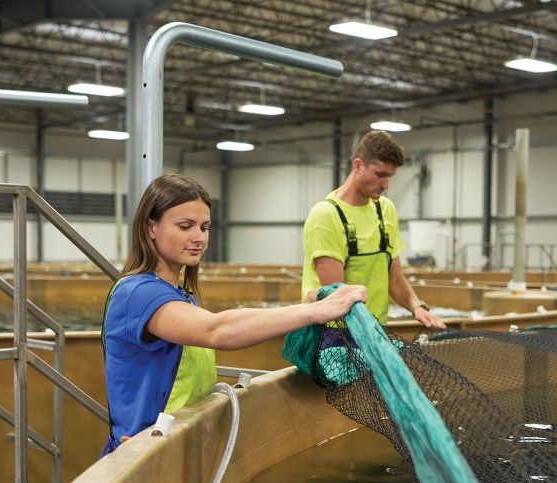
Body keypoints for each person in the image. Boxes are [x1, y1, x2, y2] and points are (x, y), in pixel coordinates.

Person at [101, 174, 366, 456]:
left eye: (204, 227)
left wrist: (305, 305)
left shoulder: (179, 294)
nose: (198, 238)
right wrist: (313, 312)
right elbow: (218, 330)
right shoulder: (137, 293)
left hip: (173, 449)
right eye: (184, 226)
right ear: (151, 227)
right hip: (144, 454)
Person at [301, 131, 446, 329]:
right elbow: (338, 299)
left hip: (375, 332)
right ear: (358, 166)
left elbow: (394, 279)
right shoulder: (326, 216)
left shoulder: (385, 210)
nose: (386, 185)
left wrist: (417, 307)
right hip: (334, 337)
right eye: (380, 175)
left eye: (390, 176)